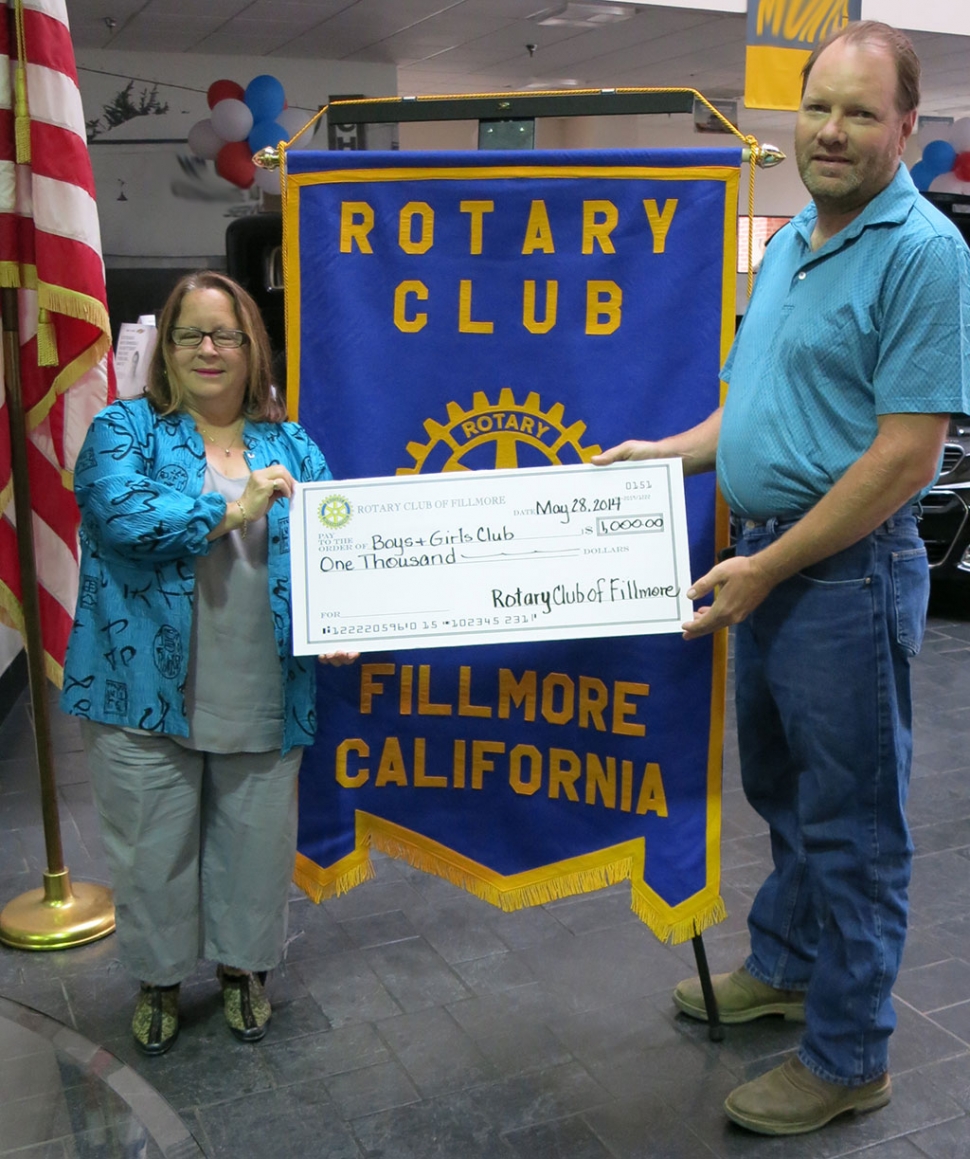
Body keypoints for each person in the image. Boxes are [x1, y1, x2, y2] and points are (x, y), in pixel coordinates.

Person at [594, 21, 970, 1137]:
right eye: (817, 108)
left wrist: (765, 563)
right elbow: (753, 411)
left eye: (860, 113)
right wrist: (664, 452)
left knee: (854, 826)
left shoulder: (922, 252)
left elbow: (905, 452)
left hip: (839, 576)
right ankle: (792, 962)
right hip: (764, 559)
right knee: (785, 793)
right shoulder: (797, 239)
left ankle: (851, 1052)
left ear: (907, 128)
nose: (832, 131)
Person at [61, 271, 355, 1056]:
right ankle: (158, 981)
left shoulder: (291, 444)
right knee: (151, 848)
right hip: (140, 690)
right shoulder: (125, 430)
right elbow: (120, 514)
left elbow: (338, 543)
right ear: (168, 348)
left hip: (263, 688)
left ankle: (242, 971)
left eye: (226, 333)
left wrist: (345, 615)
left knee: (254, 847)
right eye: (190, 333)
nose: (209, 349)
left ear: (253, 346)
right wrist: (231, 508)